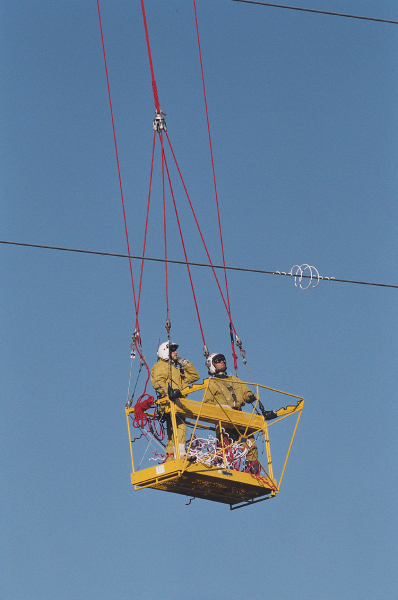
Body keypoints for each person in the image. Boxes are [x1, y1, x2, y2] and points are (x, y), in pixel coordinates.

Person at [203, 353, 278, 474]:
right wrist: (220, 408)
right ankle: (221, 463)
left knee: (248, 440)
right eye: (217, 361)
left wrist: (251, 396)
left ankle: (251, 466)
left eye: (223, 359)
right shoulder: (212, 383)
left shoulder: (235, 380)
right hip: (223, 417)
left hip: (238, 417)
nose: (222, 361)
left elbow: (245, 393)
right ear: (212, 365)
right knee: (225, 441)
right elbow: (207, 403)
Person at [151, 341, 200, 461]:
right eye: (172, 350)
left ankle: (170, 458)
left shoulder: (176, 370)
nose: (176, 352)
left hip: (179, 404)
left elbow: (195, 376)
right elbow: (157, 382)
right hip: (170, 403)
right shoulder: (160, 366)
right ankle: (180, 454)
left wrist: (184, 362)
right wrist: (169, 394)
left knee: (173, 434)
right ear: (165, 352)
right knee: (180, 428)